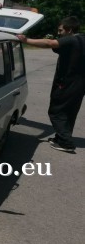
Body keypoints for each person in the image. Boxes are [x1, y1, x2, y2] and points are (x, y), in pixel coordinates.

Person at [17, 16, 85, 153]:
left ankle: (66, 142)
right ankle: (61, 138)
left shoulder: (71, 40)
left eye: (61, 30)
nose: (59, 33)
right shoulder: (82, 38)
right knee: (69, 111)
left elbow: (50, 43)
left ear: (69, 29)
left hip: (67, 83)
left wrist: (26, 40)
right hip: (79, 83)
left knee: (56, 111)